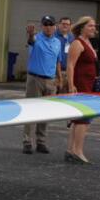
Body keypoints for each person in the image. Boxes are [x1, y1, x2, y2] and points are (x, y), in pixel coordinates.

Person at [22, 15, 62, 154]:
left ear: (55, 26)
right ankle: (27, 141)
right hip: (35, 79)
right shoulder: (37, 38)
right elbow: (30, 41)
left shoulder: (57, 42)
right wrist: (31, 34)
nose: (48, 27)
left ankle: (41, 142)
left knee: (46, 112)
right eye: (45, 24)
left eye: (51, 24)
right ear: (41, 26)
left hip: (50, 80)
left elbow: (57, 61)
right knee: (31, 110)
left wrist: (59, 78)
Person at [65, 16, 98, 164]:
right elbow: (70, 65)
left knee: (79, 118)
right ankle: (77, 151)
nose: (93, 29)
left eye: (94, 26)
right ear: (82, 27)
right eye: (90, 26)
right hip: (81, 85)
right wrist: (71, 85)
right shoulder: (77, 43)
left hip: (88, 84)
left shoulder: (88, 43)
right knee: (83, 119)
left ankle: (71, 150)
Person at [55, 17, 74, 93]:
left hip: (67, 72)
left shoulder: (72, 37)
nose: (65, 26)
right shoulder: (53, 35)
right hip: (55, 72)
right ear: (59, 25)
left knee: (63, 98)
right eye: (63, 24)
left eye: (67, 24)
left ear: (70, 26)